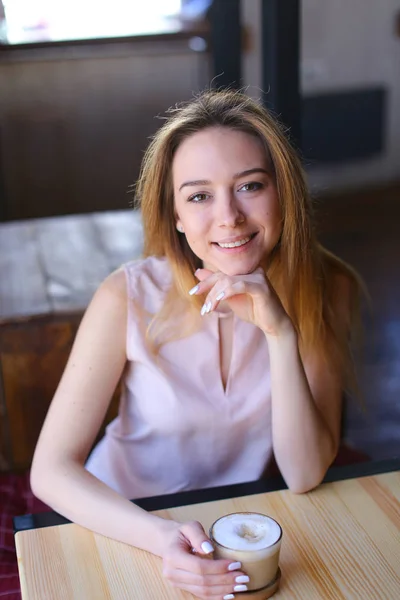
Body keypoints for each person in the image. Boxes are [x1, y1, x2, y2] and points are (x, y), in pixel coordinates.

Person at [31, 89, 363, 600]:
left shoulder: (325, 289)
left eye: (250, 185)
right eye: (200, 195)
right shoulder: (128, 294)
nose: (228, 216)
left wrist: (281, 332)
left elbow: (303, 473)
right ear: (177, 216)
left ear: (284, 194)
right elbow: (51, 472)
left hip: (230, 528)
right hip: (119, 520)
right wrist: (160, 537)